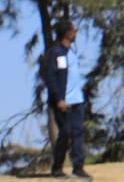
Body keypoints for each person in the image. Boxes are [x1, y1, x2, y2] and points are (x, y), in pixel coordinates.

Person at [40, 18, 90, 180]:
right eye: (74, 30)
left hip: (77, 101)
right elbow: (50, 77)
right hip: (63, 102)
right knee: (66, 133)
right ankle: (57, 168)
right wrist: (59, 99)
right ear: (67, 33)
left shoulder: (71, 53)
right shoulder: (56, 53)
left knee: (78, 133)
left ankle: (78, 168)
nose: (76, 33)